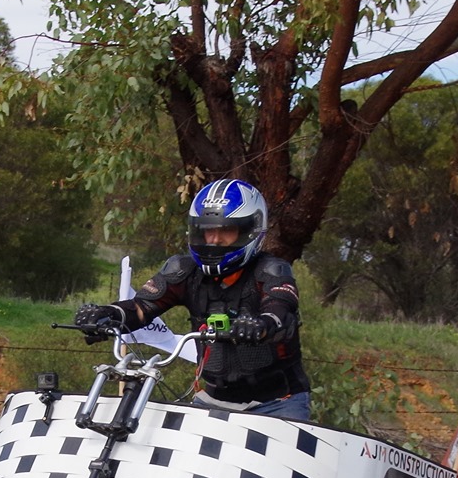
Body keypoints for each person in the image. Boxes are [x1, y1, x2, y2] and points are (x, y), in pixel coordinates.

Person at [74, 178, 312, 421]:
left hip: (277, 404)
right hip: (211, 400)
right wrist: (108, 314)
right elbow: (141, 307)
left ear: (250, 231)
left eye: (226, 230)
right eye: (208, 230)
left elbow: (280, 308)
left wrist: (263, 325)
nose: (215, 240)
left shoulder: (272, 270)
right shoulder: (183, 270)